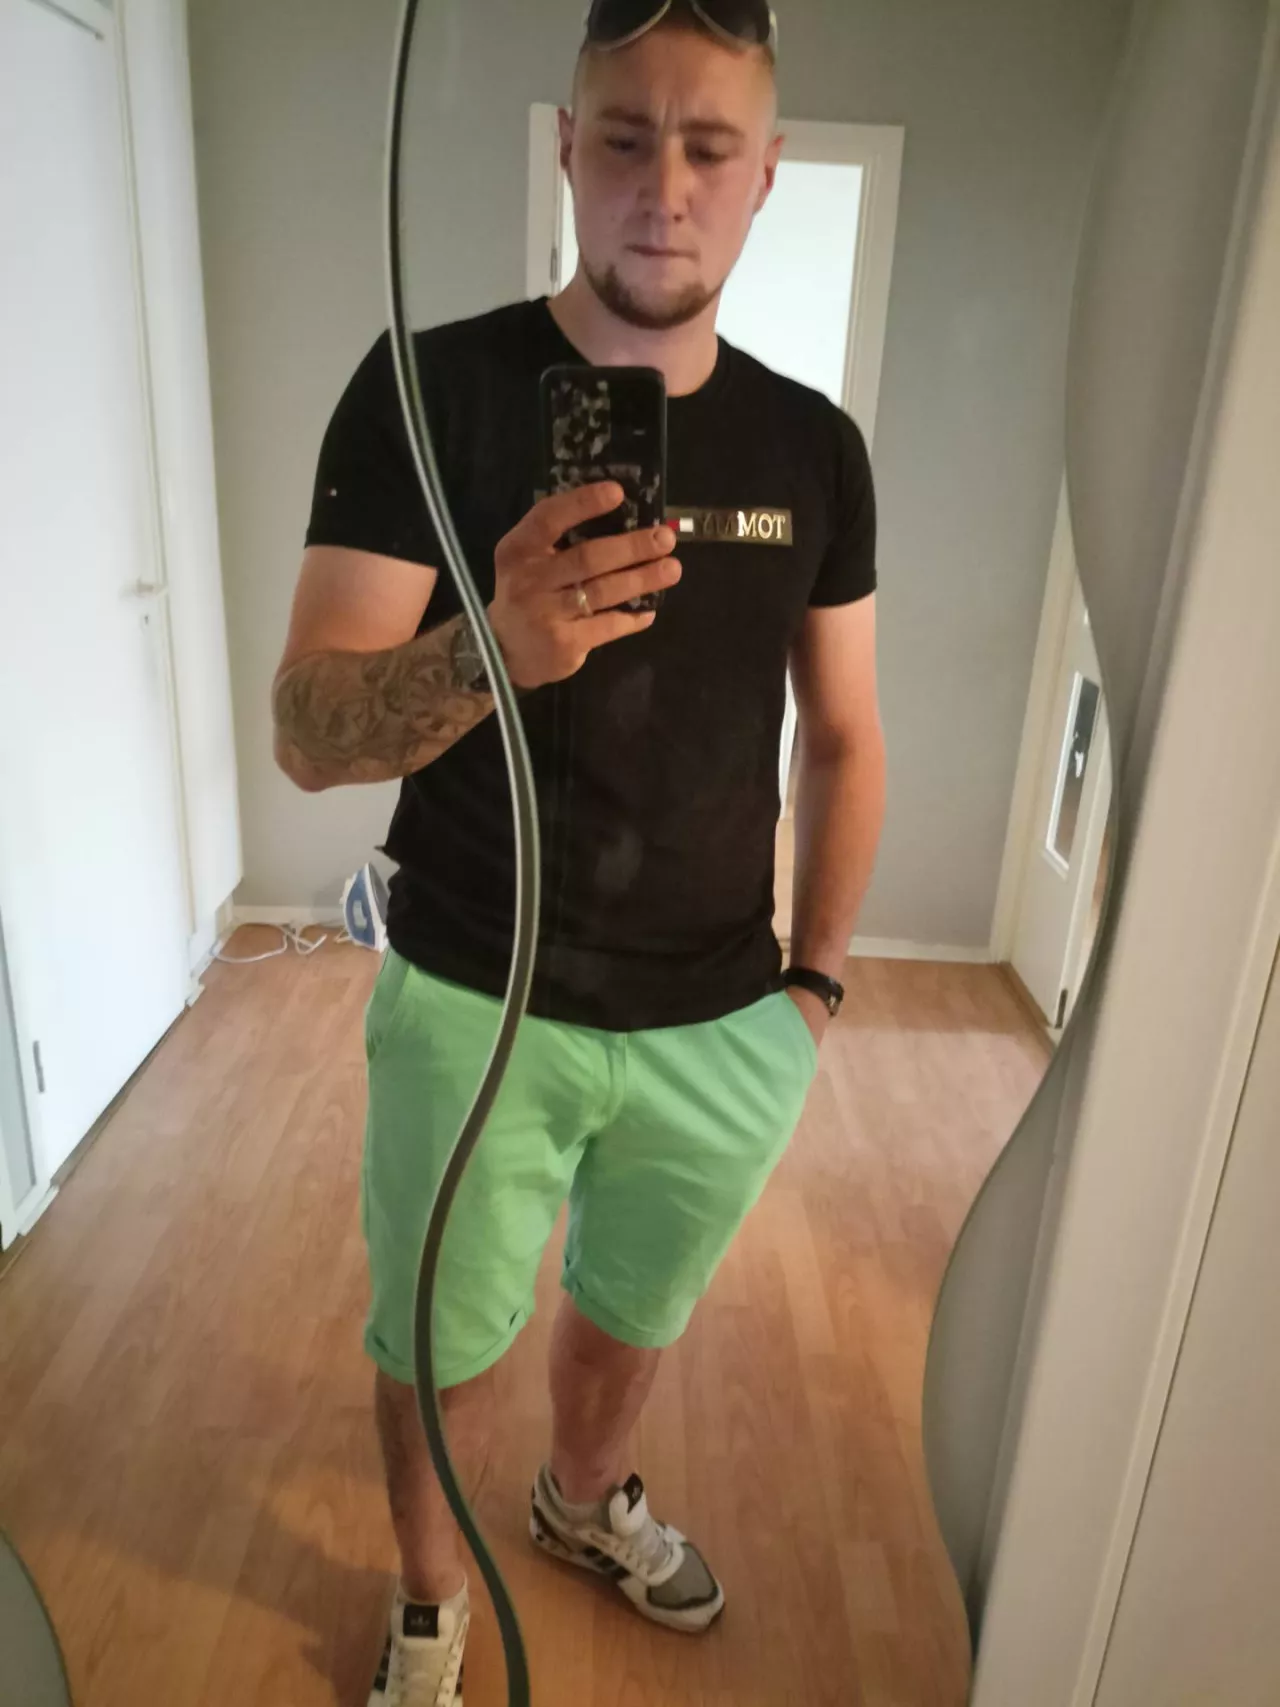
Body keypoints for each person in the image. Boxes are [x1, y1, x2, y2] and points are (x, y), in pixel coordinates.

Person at [273, 2, 885, 1701]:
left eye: (709, 147)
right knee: (436, 1345)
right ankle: (428, 1599)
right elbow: (308, 729)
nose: (662, 188)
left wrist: (815, 991)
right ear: (565, 146)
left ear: (766, 174)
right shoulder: (427, 391)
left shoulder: (816, 449)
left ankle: (579, 1495)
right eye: (624, 136)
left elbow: (845, 733)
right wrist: (497, 643)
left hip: (724, 1019)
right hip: (478, 997)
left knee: (630, 1319)